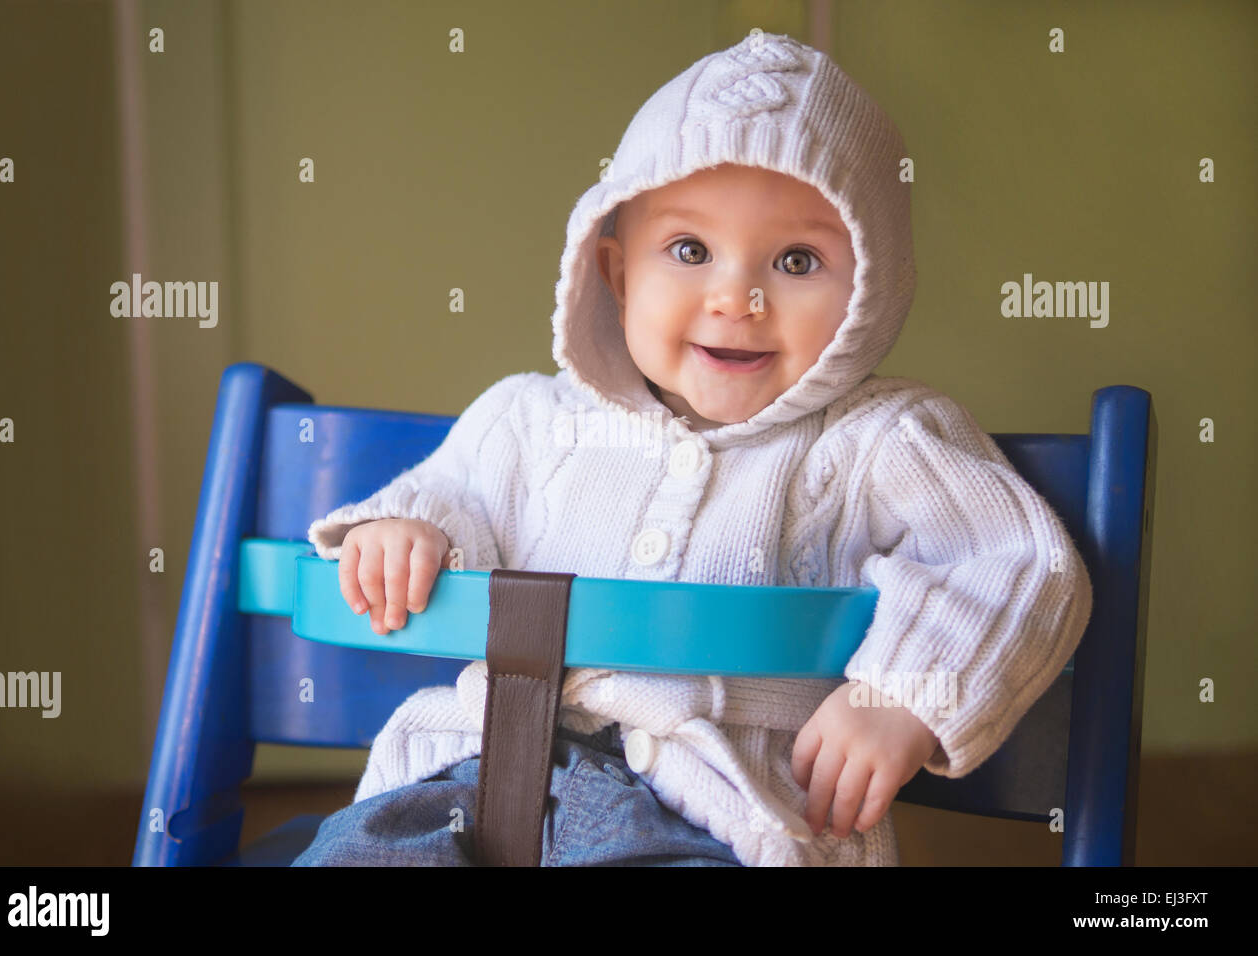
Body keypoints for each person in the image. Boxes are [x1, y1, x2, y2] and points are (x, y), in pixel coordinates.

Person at [291, 32, 1092, 867]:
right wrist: (407, 533)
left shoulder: (881, 440)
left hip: (716, 812)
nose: (735, 298)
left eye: (795, 259)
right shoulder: (525, 419)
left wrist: (902, 696)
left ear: (873, 288)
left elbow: (1019, 564)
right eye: (688, 250)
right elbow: (452, 496)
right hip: (473, 774)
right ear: (617, 270)